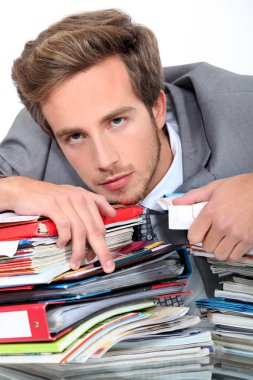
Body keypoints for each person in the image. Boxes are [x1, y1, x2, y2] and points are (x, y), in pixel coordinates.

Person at [1, 9, 253, 300]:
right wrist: (11, 189)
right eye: (76, 136)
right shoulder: (41, 134)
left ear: (157, 107)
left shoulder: (242, 110)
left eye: (117, 121)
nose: (105, 161)